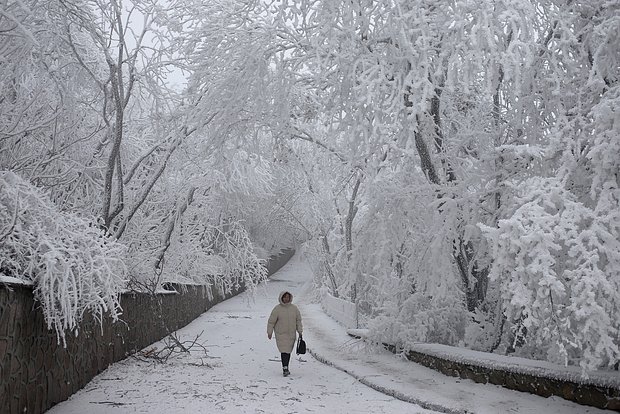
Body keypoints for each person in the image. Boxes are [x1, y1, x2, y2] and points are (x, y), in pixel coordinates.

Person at [267, 290, 303, 377]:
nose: (286, 299)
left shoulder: (294, 309)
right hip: (281, 334)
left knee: (288, 351)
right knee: (284, 351)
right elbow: (271, 322)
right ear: (281, 298)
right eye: (285, 297)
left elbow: (298, 320)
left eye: (288, 297)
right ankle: (285, 368)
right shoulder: (277, 309)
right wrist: (269, 332)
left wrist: (300, 331)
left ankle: (286, 366)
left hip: (291, 334)